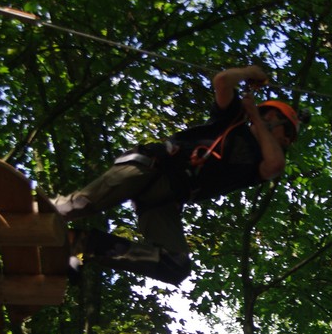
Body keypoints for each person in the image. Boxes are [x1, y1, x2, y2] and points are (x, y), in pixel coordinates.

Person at [51, 65, 306, 285]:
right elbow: (222, 81)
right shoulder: (233, 119)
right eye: (287, 133)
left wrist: (256, 118)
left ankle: (81, 244)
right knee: (80, 205)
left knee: (175, 266)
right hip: (152, 166)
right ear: (269, 116)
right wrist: (249, 72)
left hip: (164, 199)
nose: (286, 141)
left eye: (289, 139)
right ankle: (42, 210)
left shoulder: (258, 166)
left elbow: (275, 165)